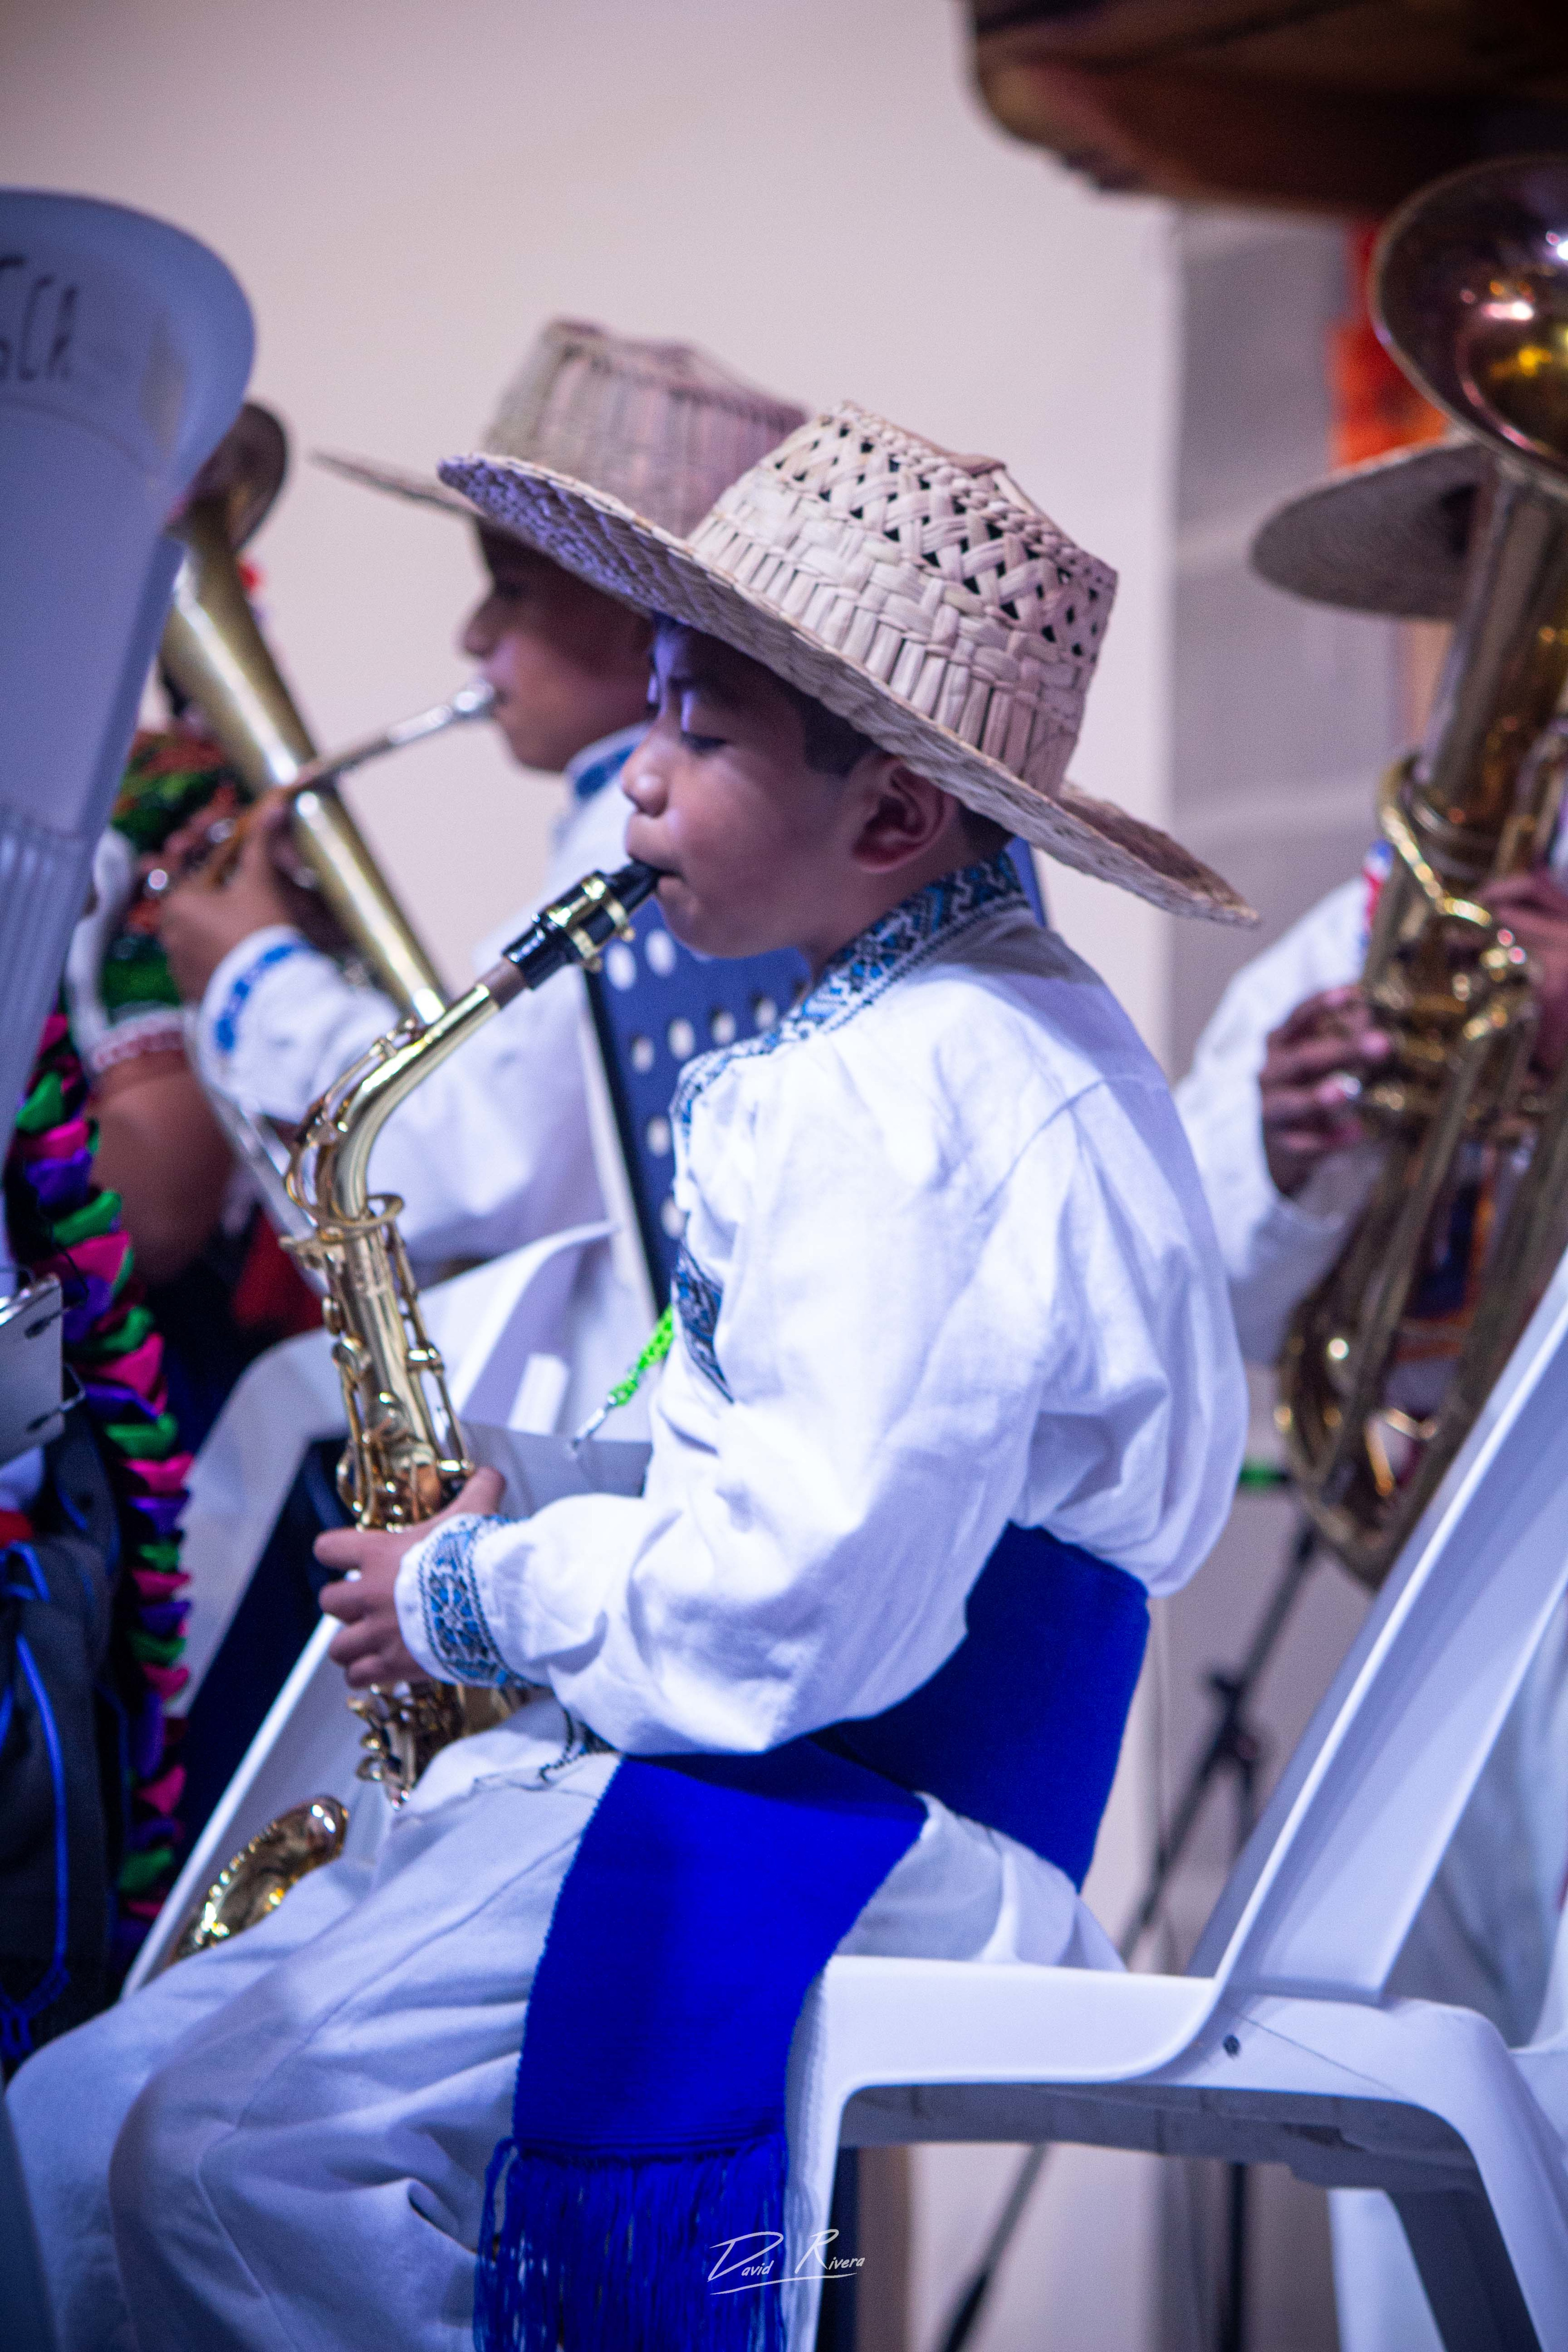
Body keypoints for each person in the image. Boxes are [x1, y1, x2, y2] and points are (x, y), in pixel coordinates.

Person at [11, 404, 1251, 2352]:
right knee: (70, 2117)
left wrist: (470, 1591)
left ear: (897, 819)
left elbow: (799, 1601)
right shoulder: (935, 1027)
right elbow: (798, 1485)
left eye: (694, 735)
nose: (641, 791)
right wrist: (533, 1492)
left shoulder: (903, 1093)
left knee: (226, 2155)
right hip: (796, 1748)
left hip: (860, 1799)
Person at [1177, 435, 1568, 2352]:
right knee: (1402, 2096)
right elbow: (1202, 1308)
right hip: (1420, 1604)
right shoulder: (1355, 944)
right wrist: (1274, 1145)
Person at [160, 321, 807, 1286]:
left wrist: (257, 971)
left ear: (647, 622)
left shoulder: (647, 840)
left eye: (511, 590)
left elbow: (465, 1168)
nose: (473, 635)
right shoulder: (665, 814)